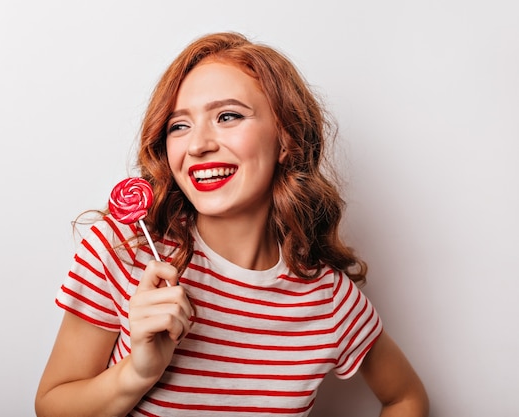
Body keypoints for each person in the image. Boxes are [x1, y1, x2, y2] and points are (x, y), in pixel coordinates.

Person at [35, 32, 429, 416]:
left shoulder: (327, 299)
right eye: (179, 125)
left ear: (286, 138)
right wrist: (137, 373)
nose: (197, 144)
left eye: (228, 116)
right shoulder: (125, 249)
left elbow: (406, 398)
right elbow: (51, 406)